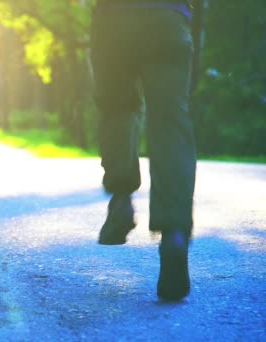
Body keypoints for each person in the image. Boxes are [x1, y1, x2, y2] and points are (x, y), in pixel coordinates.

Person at [90, 0, 196, 301]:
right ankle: (174, 233)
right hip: (168, 19)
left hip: (114, 20)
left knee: (117, 110)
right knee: (170, 123)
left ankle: (121, 200)